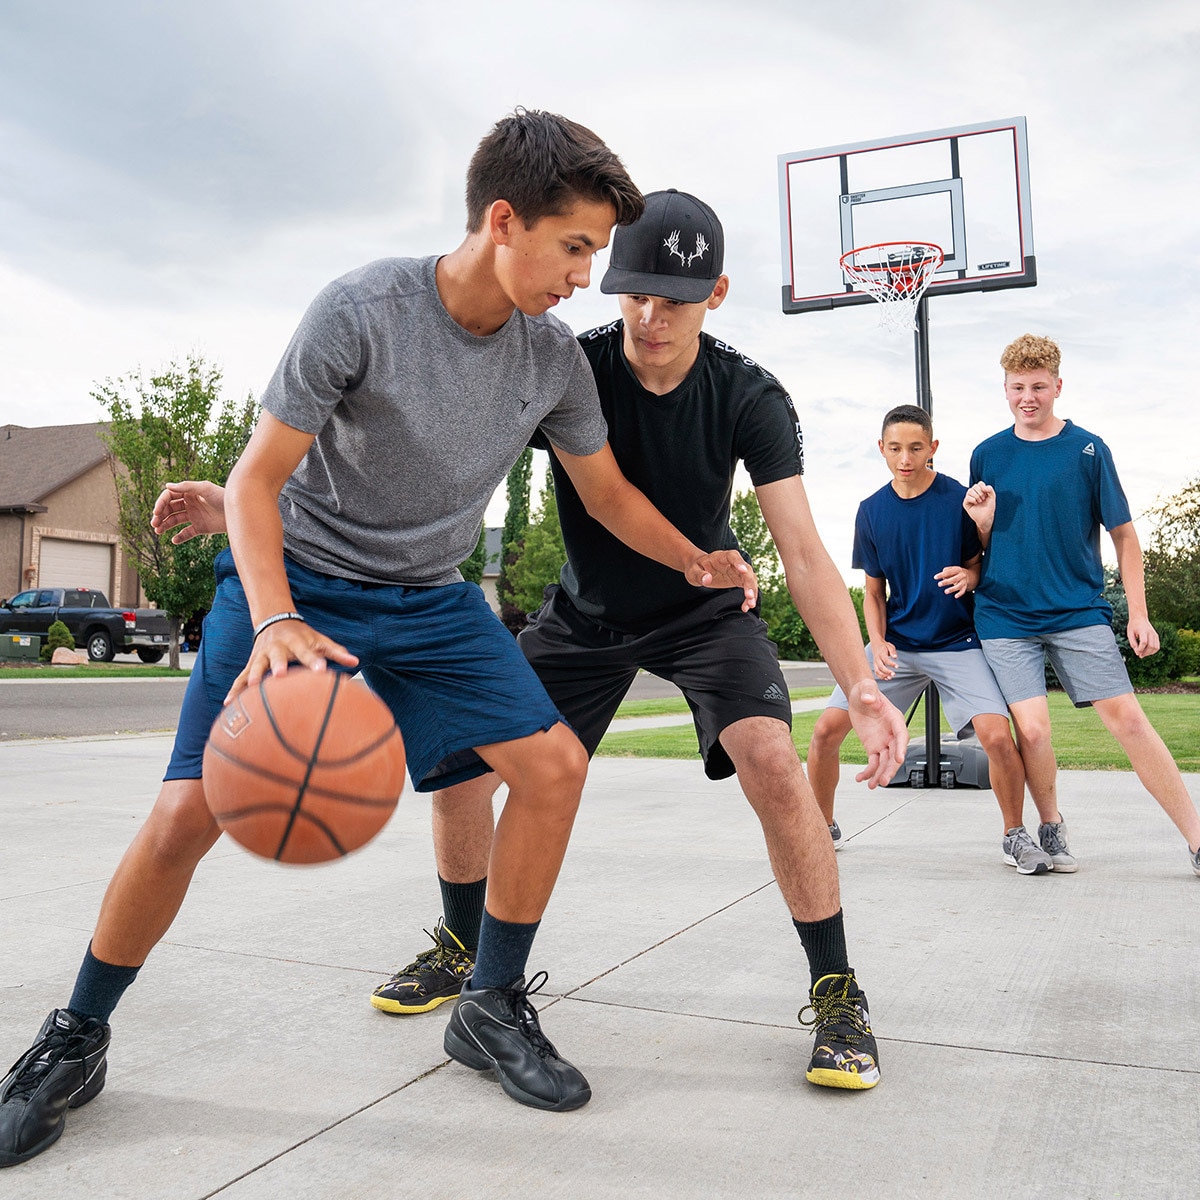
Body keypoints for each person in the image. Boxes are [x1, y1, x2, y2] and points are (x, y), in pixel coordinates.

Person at [0, 114, 763, 1168]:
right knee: (188, 810)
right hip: (300, 588)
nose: (588, 277)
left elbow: (607, 492)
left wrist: (698, 558)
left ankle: (490, 1004)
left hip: (429, 598)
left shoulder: (550, 361)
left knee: (549, 769)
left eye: (595, 252)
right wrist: (274, 622)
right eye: (576, 246)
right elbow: (257, 481)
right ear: (505, 221)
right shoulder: (364, 310)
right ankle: (74, 1038)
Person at [378, 189, 907, 1092]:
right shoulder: (568, 369)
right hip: (586, 613)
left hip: (706, 609)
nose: (651, 317)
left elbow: (806, 555)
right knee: (462, 760)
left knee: (774, 763)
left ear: (719, 293)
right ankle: (462, 952)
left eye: (676, 298)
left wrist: (858, 683)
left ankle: (837, 994)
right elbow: (451, 449)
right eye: (633, 294)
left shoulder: (748, 395)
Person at [964, 333, 1200, 876]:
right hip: (1004, 614)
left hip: (1076, 612)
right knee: (1035, 730)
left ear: (1058, 387)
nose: (1029, 396)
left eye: (1039, 386)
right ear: (1004, 389)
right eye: (1018, 386)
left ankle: (1195, 840)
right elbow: (974, 546)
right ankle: (1049, 827)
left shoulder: (1088, 450)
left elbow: (1124, 536)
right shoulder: (987, 453)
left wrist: (1136, 612)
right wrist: (981, 523)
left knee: (1130, 723)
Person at [806, 404, 1058, 874]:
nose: (905, 457)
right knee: (824, 732)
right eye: (896, 447)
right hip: (897, 648)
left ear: (933, 449)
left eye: (916, 447)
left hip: (958, 642)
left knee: (997, 739)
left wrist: (971, 573)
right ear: (881, 449)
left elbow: (985, 564)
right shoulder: (871, 511)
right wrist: (876, 641)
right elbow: (874, 592)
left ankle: (1014, 836)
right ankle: (821, 827)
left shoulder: (958, 501)